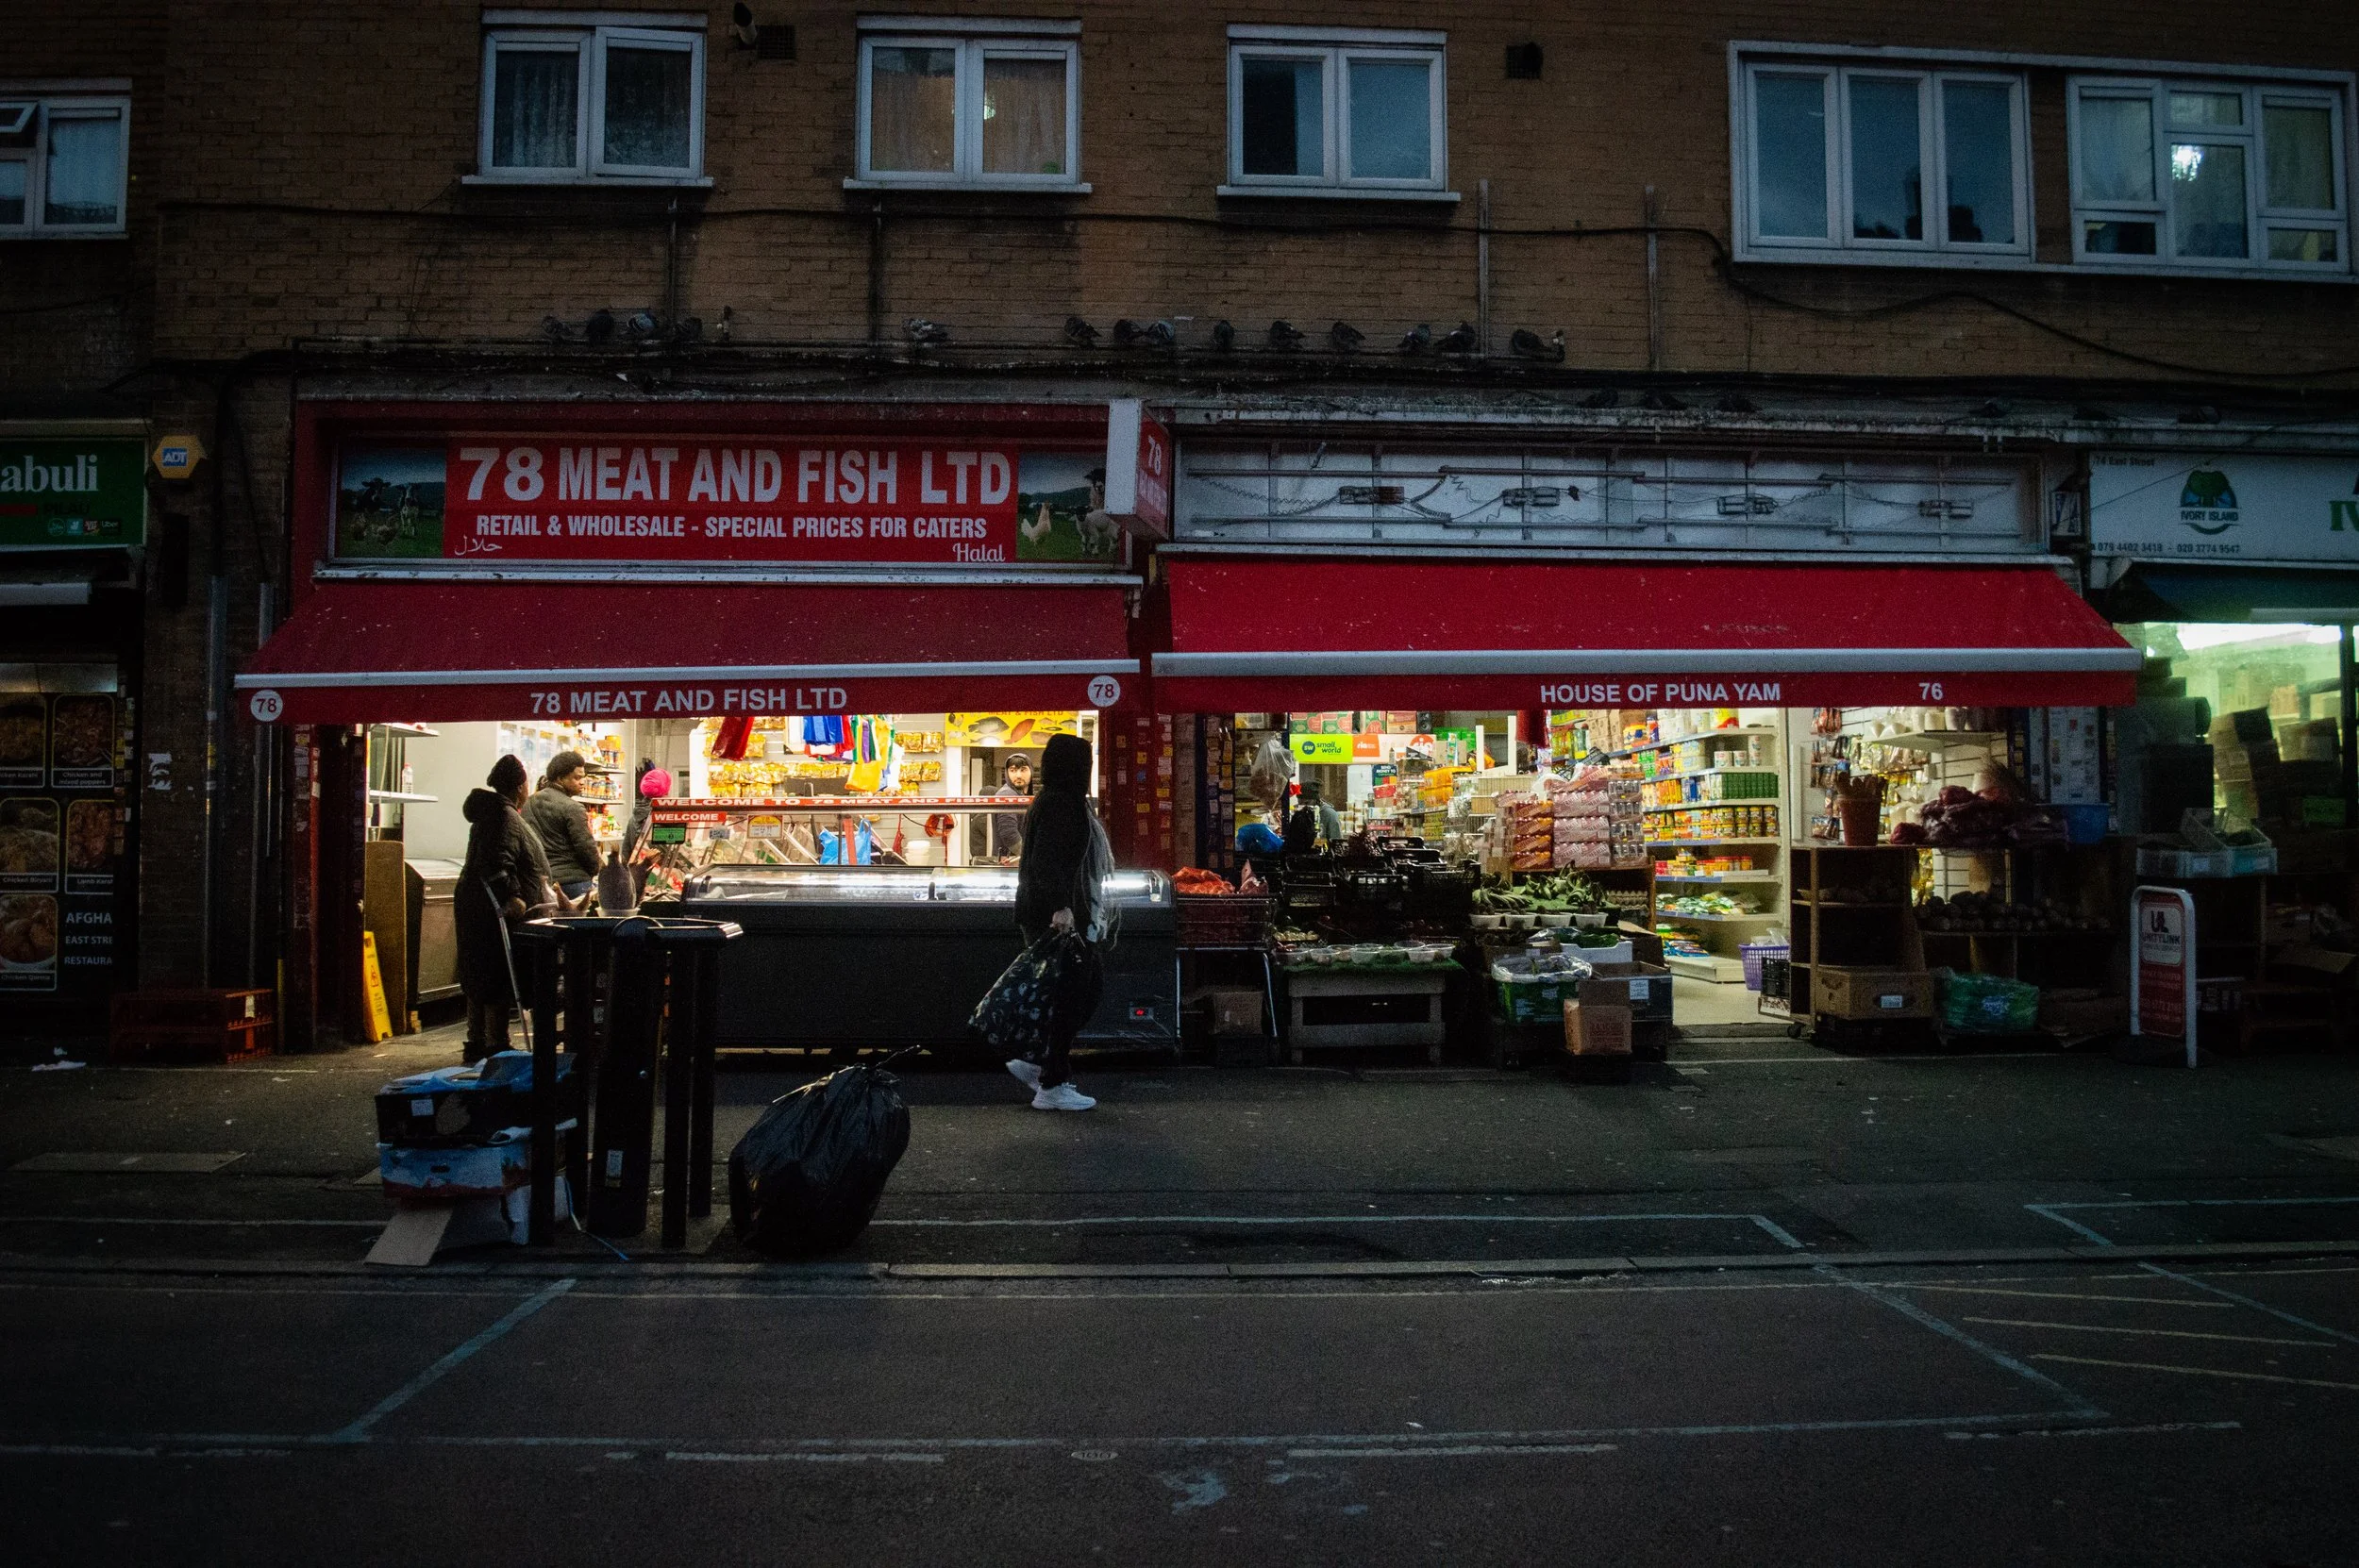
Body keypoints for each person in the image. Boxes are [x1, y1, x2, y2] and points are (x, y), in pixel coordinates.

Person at [1004, 733, 1113, 1111]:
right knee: (1074, 994)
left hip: (1046, 913)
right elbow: (1047, 863)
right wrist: (1062, 909)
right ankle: (1052, 1084)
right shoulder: (1061, 804)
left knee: (1073, 990)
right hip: (1057, 917)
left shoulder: (1049, 799)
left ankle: (1040, 1062)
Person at [456, 755, 548, 1062]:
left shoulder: (492, 813)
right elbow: (498, 861)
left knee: (478, 972)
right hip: (492, 909)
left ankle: (476, 1040)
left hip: (474, 904)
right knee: (495, 972)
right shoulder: (504, 816)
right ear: (521, 786)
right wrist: (514, 896)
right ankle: (495, 1043)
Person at [525, 750, 604, 906]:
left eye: (583, 777)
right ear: (560, 778)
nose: (582, 782)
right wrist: (597, 869)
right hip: (573, 883)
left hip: (540, 883)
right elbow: (585, 847)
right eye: (577, 778)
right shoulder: (573, 808)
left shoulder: (529, 803)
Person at [989, 751, 1033, 862]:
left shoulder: (1021, 796)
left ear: (1031, 771)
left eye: (1023, 770)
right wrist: (1031, 857)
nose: (1018, 775)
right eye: (1013, 770)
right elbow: (1009, 833)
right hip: (1009, 865)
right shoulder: (1006, 794)